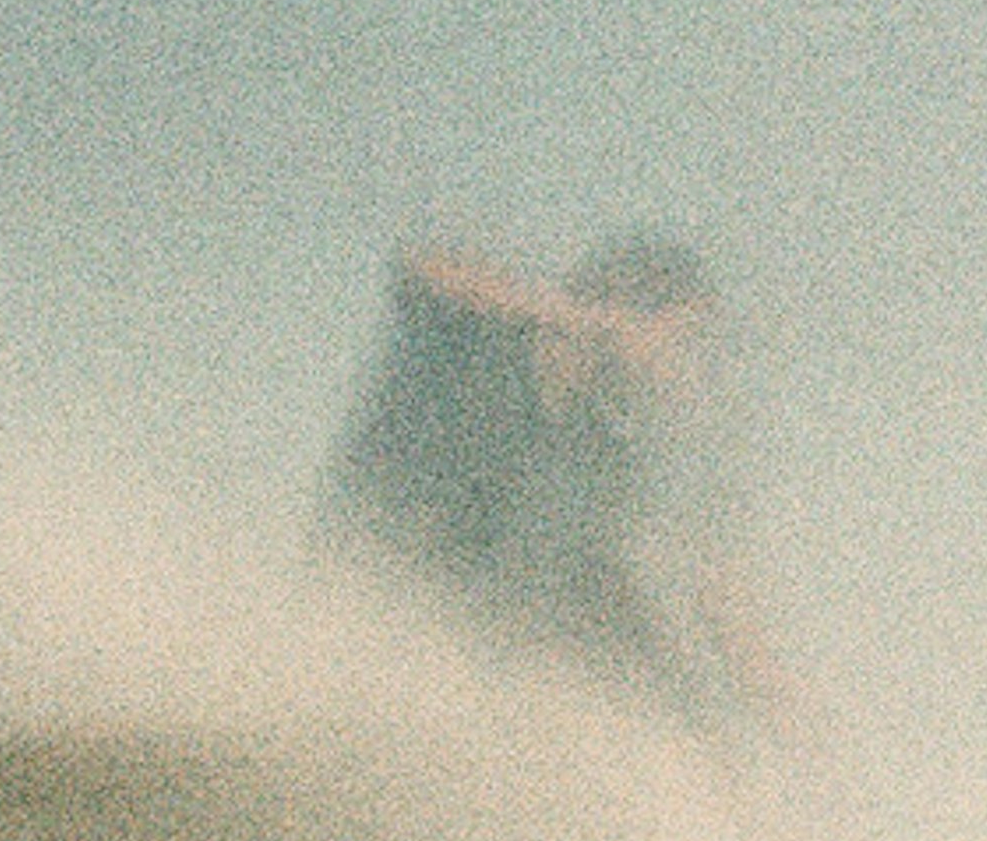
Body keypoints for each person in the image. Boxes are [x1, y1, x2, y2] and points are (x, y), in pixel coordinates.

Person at [314, 232, 774, 728]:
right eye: (682, 339)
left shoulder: (618, 434)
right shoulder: (483, 345)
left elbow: (712, 580)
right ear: (630, 316)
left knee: (665, 684)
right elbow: (422, 264)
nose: (691, 365)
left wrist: (779, 709)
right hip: (395, 558)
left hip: (504, 587)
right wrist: (598, 323)